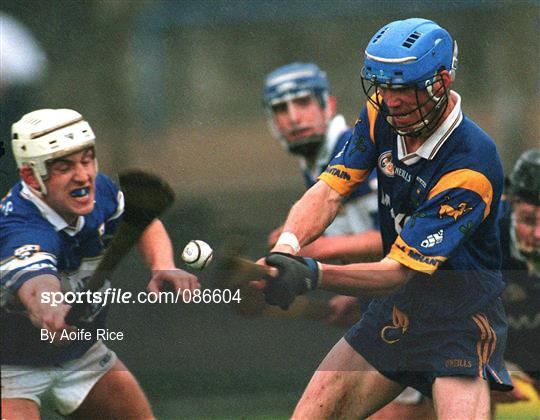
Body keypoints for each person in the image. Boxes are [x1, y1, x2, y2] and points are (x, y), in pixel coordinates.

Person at [255, 18, 512, 418]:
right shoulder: (381, 114)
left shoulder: (470, 168)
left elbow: (396, 270)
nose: (390, 101)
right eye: (383, 87)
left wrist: (312, 274)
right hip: (395, 312)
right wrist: (285, 250)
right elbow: (328, 190)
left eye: (403, 89)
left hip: (459, 325)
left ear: (441, 82)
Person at [0, 108, 200, 419]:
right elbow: (37, 285)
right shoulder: (19, 226)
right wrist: (51, 310)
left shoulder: (99, 192)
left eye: (87, 159)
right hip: (10, 368)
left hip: (81, 354)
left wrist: (162, 264)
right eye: (64, 167)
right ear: (30, 176)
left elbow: (143, 221)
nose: (83, 176)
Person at [263, 63, 435, 418]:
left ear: (329, 104)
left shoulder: (354, 148)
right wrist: (353, 294)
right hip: (396, 308)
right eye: (281, 109)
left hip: (433, 307)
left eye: (303, 103)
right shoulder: (315, 163)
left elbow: (401, 241)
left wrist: (315, 250)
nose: (294, 118)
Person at [492, 149, 540, 414]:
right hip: (489, 352)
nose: (538, 234)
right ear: (509, 202)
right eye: (528, 220)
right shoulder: (482, 233)